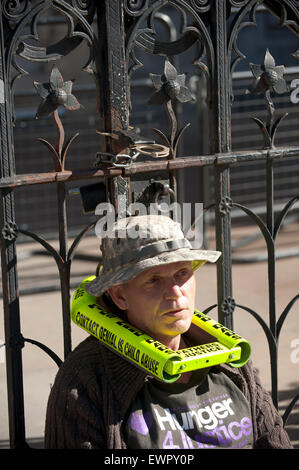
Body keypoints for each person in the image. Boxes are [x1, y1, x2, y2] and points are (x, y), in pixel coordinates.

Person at [44, 214, 293, 449]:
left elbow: (273, 439)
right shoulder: (86, 380)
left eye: (182, 273)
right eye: (153, 279)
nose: (175, 292)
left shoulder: (230, 359)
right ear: (120, 296)